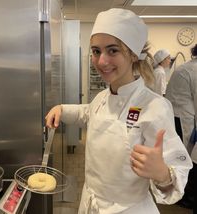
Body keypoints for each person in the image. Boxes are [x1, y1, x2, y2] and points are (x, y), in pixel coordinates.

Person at [46, 8, 192, 214]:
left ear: (133, 54)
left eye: (112, 50)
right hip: (90, 204)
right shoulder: (103, 97)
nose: (101, 61)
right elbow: (88, 113)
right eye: (96, 51)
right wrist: (61, 109)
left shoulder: (154, 107)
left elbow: (177, 175)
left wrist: (162, 174)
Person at [166, 44, 197, 213]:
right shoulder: (194, 70)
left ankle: (182, 193)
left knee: (182, 158)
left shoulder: (188, 68)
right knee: (186, 160)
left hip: (179, 117)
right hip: (184, 120)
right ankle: (185, 197)